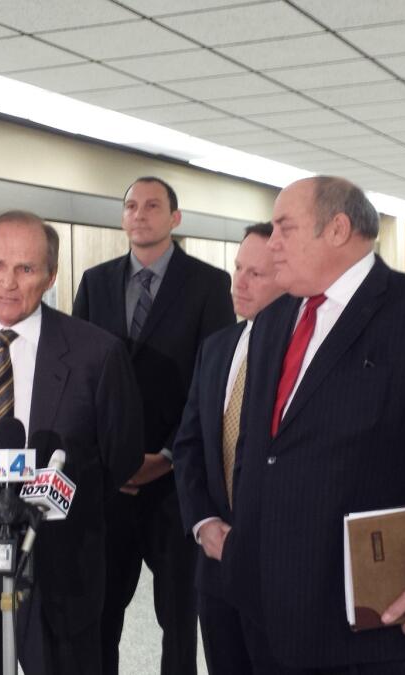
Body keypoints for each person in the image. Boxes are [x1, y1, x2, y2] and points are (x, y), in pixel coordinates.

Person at [222, 177, 405, 674]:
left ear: (338, 228)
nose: (272, 243)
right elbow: (256, 450)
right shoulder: (272, 321)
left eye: (284, 228)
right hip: (266, 612)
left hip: (372, 625)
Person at [0, 210, 143, 675]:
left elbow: (120, 457)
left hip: (58, 561)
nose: (8, 283)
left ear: (51, 275)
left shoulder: (96, 353)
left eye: (26, 268)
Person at [73, 176, 235, 675]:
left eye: (152, 205)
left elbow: (214, 382)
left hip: (176, 483)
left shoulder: (209, 285)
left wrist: (166, 456)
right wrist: (108, 458)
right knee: (101, 614)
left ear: (174, 218)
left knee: (180, 619)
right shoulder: (95, 283)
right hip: (109, 485)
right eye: (130, 206)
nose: (139, 214)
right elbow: (77, 376)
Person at [172, 222, 286, 675]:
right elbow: (189, 445)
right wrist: (202, 522)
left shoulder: (303, 360)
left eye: (256, 274)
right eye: (238, 268)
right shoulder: (218, 347)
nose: (238, 282)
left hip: (279, 567)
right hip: (217, 565)